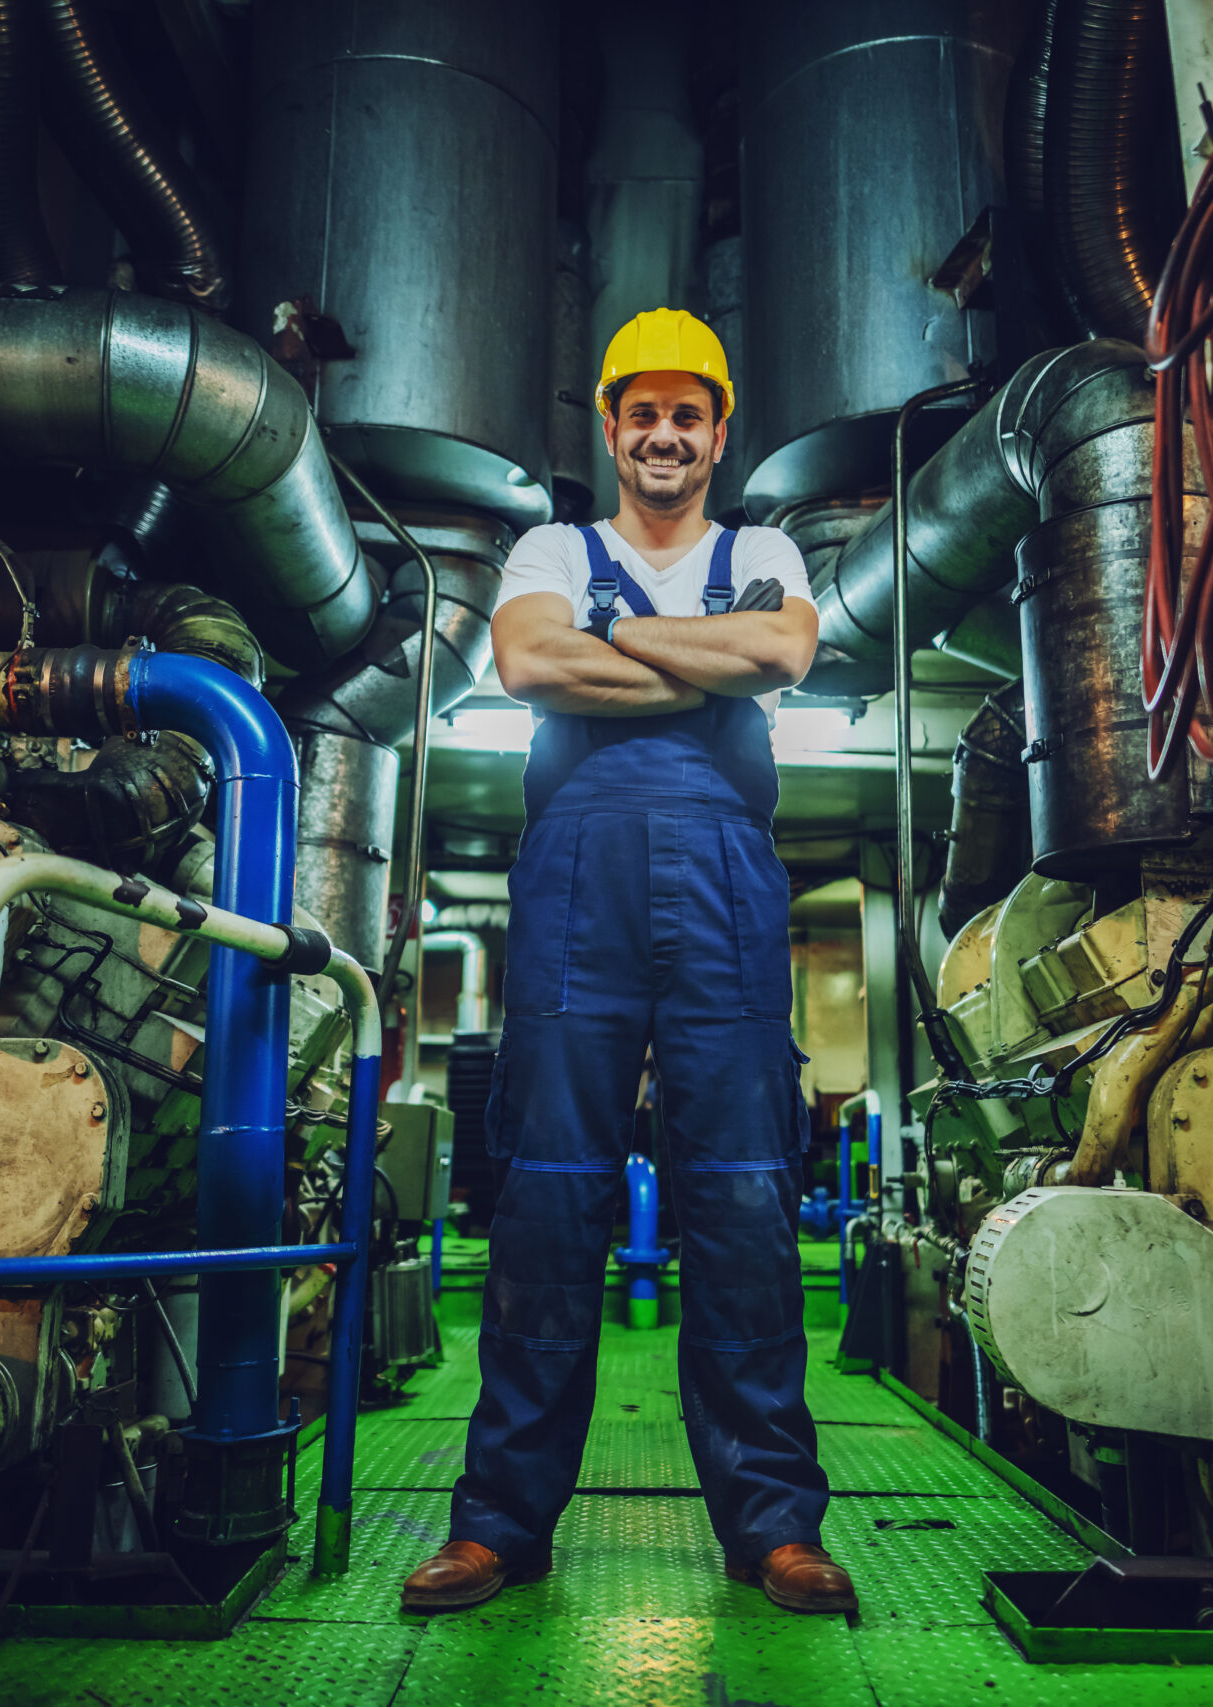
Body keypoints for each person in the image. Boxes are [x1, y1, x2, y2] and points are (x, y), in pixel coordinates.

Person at [399, 308, 854, 1615]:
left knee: (747, 1197)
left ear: (719, 431)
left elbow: (782, 650)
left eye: (688, 413)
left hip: (723, 878)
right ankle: (497, 1525)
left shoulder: (762, 544)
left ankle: (774, 1523)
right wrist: (709, 666)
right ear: (611, 428)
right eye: (641, 412)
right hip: (576, 878)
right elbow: (526, 659)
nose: (665, 434)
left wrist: (618, 650)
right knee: (547, 1197)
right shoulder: (555, 542)